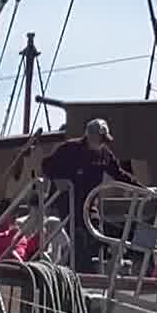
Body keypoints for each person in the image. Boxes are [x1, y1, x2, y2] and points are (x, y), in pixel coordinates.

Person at [39, 113, 128, 272]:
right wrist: (57, 179)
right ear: (90, 136)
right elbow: (46, 165)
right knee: (79, 237)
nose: (103, 143)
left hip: (89, 203)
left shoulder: (105, 154)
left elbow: (119, 174)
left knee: (97, 236)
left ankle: (87, 269)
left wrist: (143, 189)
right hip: (69, 201)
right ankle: (74, 271)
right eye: (101, 139)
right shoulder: (70, 148)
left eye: (105, 140)